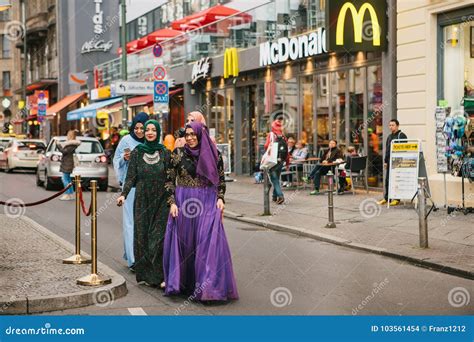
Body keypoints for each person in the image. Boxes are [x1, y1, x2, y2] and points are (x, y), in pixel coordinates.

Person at [163, 121, 238, 301]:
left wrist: (220, 198)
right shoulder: (177, 154)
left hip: (208, 201)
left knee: (208, 244)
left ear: (200, 134)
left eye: (193, 134)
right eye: (186, 135)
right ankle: (186, 283)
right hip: (183, 203)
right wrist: (172, 202)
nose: (189, 138)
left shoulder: (214, 155)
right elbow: (168, 181)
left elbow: (220, 180)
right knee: (187, 245)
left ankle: (209, 288)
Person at [116, 120, 171, 287]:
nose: (150, 132)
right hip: (142, 200)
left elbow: (170, 179)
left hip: (162, 201)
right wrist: (123, 194)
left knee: (158, 238)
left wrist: (174, 199)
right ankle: (147, 275)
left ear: (158, 132)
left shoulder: (165, 153)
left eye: (154, 130)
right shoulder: (137, 153)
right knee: (143, 238)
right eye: (147, 130)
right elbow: (131, 176)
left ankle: (160, 275)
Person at [113, 112, 148, 271]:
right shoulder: (126, 140)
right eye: (137, 128)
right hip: (131, 187)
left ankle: (143, 256)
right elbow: (116, 160)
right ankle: (133, 260)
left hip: (147, 187)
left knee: (145, 223)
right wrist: (124, 159)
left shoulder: (151, 138)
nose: (140, 131)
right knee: (130, 223)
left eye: (143, 128)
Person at [378, 119, 408, 206]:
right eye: (390, 125)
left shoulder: (401, 135)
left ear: (397, 126)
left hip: (398, 161)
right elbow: (387, 150)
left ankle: (397, 199)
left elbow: (404, 149)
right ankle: (387, 198)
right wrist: (385, 161)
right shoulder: (389, 136)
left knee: (396, 180)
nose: (391, 127)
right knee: (388, 180)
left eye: (393, 125)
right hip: (390, 161)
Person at [264, 118, 289, 204]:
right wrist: (287, 163)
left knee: (274, 179)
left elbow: (266, 145)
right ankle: (274, 197)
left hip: (273, 160)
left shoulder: (271, 134)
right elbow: (287, 150)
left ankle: (280, 195)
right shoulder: (283, 136)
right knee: (276, 178)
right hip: (281, 161)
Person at [58, 130, 81, 201]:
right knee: (68, 179)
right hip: (67, 162)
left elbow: (64, 152)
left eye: (68, 135)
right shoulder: (71, 144)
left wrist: (58, 145)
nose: (67, 136)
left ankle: (67, 194)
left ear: (70, 136)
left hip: (67, 163)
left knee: (65, 179)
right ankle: (70, 193)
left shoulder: (71, 144)